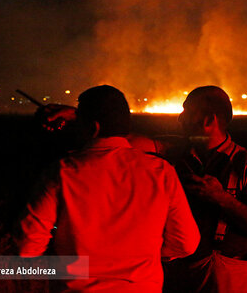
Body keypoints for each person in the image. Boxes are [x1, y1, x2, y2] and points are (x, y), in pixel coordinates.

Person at [17, 85, 200, 292]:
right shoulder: (161, 172)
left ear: (92, 127)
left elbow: (27, 248)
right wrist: (145, 257)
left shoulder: (62, 172)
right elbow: (186, 243)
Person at [158, 86, 247, 293]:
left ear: (208, 120)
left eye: (186, 111)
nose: (180, 118)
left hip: (230, 281)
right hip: (182, 277)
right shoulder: (177, 158)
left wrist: (222, 198)